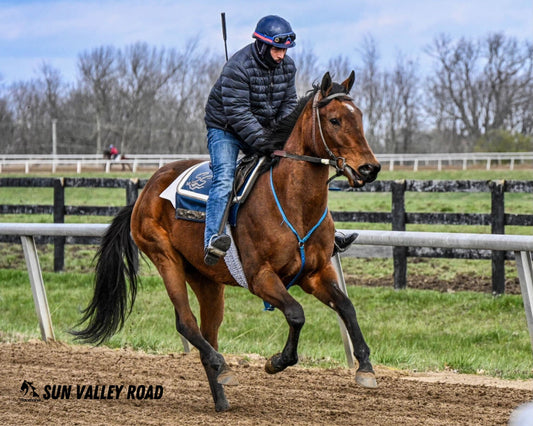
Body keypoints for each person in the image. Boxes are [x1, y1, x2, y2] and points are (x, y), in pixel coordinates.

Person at [203, 15, 355, 266]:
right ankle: (213, 240)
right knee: (224, 178)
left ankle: (325, 234)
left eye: (284, 50)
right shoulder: (237, 68)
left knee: (297, 172)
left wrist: (284, 136)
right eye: (276, 49)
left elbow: (287, 105)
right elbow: (238, 114)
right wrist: (266, 141)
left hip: (262, 127)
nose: (281, 55)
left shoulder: (288, 66)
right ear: (261, 45)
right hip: (226, 128)